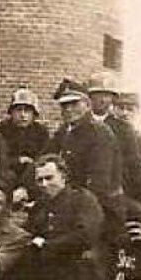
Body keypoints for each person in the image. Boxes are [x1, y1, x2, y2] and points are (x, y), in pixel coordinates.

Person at [47, 78, 125, 234]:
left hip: (99, 208)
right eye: (64, 105)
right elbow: (45, 158)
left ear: (88, 104)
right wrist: (23, 188)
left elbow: (98, 183)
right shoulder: (64, 131)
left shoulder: (100, 133)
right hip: (71, 201)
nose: (68, 109)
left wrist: (69, 204)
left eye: (74, 104)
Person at [87, 71, 141, 217]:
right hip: (84, 191)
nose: (103, 100)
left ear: (112, 99)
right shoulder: (79, 125)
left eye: (107, 95)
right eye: (97, 95)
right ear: (90, 98)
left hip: (113, 192)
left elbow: (134, 165)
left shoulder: (123, 129)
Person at [0, 87, 50, 199]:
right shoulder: (1, 129)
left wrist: (32, 164)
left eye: (27, 111)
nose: (23, 115)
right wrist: (17, 160)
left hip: (32, 174)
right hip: (7, 171)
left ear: (34, 114)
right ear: (12, 112)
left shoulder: (41, 132)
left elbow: (44, 156)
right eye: (19, 110)